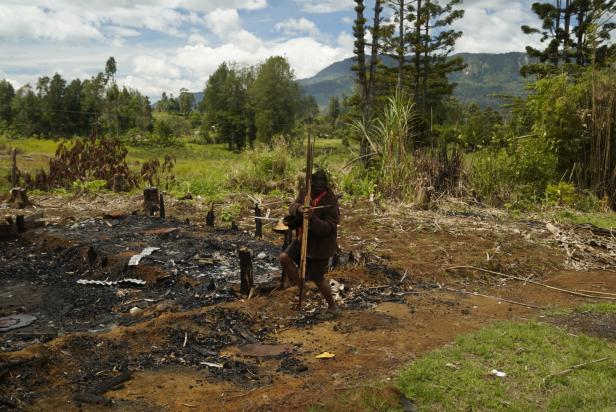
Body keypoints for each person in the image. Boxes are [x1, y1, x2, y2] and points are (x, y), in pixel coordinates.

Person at [279, 169, 341, 316]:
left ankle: (333, 307)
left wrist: (313, 218)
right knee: (284, 258)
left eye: (321, 183)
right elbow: (293, 206)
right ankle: (302, 288)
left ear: (326, 184)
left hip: (321, 245)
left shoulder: (330, 200)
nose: (318, 186)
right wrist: (300, 209)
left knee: (318, 278)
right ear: (311, 183)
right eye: (315, 183)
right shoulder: (305, 193)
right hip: (303, 238)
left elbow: (329, 227)